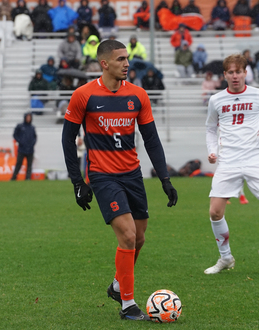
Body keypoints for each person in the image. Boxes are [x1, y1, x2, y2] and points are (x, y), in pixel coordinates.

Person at [61, 39, 177, 321]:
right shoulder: (83, 95)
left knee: (139, 237)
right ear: (104, 64)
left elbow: (151, 139)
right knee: (127, 235)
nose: (127, 63)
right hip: (102, 176)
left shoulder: (138, 95)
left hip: (132, 174)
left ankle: (117, 285)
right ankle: (127, 304)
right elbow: (68, 139)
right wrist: (78, 182)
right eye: (120, 59)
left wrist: (165, 178)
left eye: (127, 58)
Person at [204, 53, 259, 276]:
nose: (235, 76)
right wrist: (212, 151)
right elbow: (210, 128)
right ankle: (225, 257)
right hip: (228, 161)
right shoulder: (216, 100)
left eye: (238, 71)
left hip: (253, 159)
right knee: (215, 212)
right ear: (225, 75)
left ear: (245, 73)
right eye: (230, 72)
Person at [11, 113, 37, 181]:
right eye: (27, 117)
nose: (28, 118)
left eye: (30, 117)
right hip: (22, 149)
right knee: (19, 164)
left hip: (30, 149)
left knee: (29, 165)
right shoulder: (20, 126)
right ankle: (14, 177)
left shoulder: (32, 127)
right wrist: (20, 141)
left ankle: (28, 178)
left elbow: (35, 137)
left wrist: (32, 143)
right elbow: (15, 135)